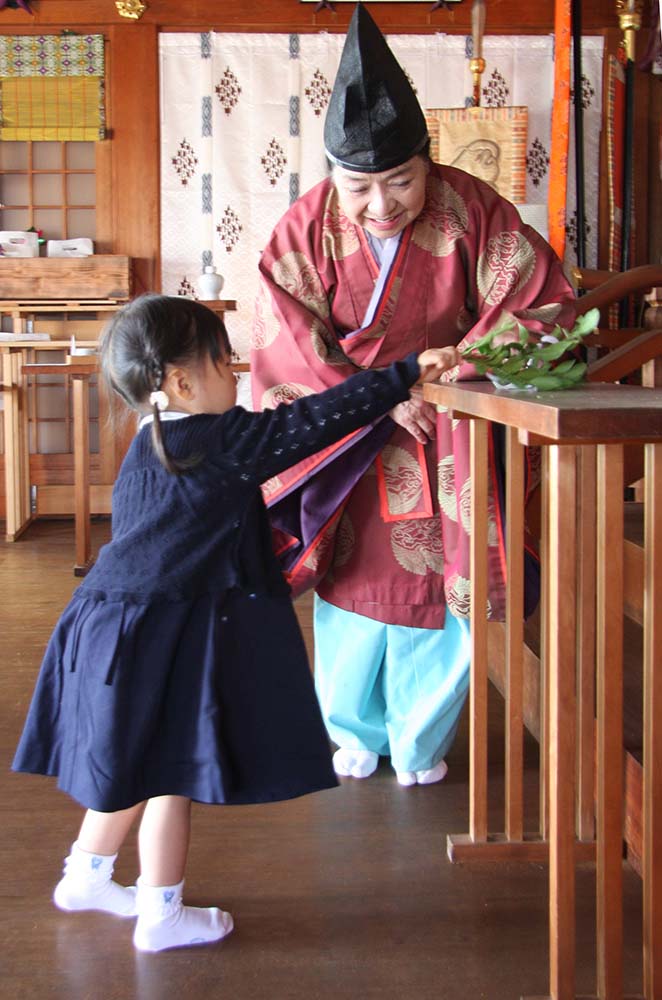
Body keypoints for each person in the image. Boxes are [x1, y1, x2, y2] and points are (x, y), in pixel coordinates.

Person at [12, 293, 460, 953]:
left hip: (104, 625)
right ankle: (161, 915)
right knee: (168, 775)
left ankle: (86, 874)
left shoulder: (150, 443)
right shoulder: (220, 440)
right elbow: (313, 421)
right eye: (225, 363)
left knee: (128, 761)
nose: (239, 374)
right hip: (152, 633)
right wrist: (407, 371)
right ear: (181, 381)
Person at [250, 3, 577, 787]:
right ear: (334, 177)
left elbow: (536, 298)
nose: (381, 204)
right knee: (356, 593)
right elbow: (283, 335)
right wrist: (373, 396)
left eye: (400, 181)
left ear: (428, 164)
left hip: (451, 428)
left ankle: (422, 741)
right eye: (360, 187)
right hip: (352, 441)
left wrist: (453, 371)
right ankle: (352, 730)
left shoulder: (472, 207)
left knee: (444, 594)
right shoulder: (305, 228)